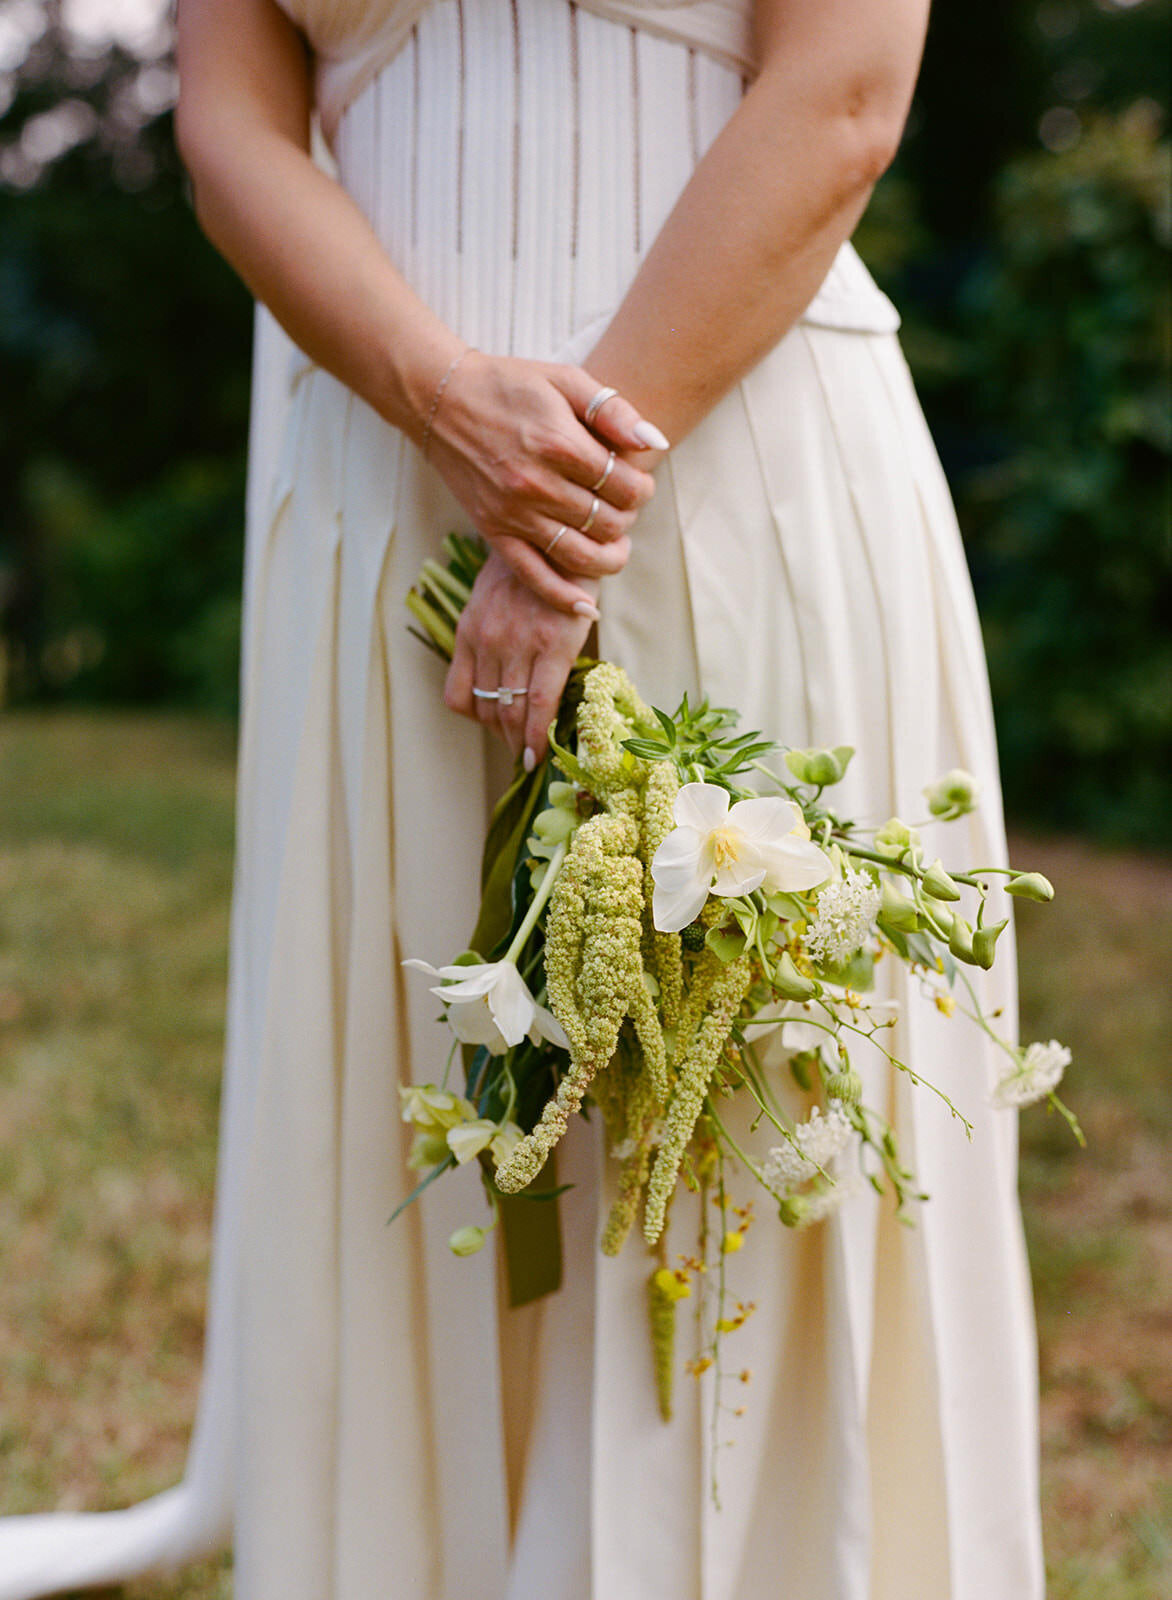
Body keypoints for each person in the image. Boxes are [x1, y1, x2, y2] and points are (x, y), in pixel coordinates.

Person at [0, 1, 1046, 1596]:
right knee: (430, 1090)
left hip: (739, 466)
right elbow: (232, 129)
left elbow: (842, 91)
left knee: (745, 1114)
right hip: (381, 478)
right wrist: (441, 398)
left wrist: (556, 510)